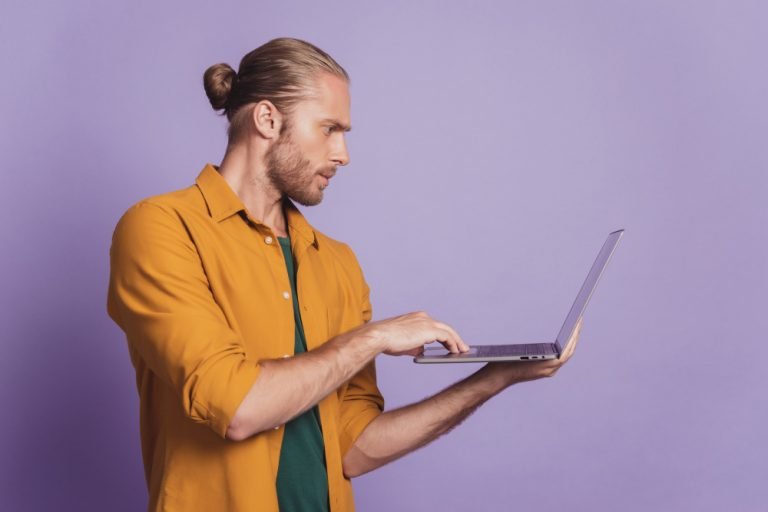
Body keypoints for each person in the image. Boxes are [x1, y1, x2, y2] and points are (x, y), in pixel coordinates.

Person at [106, 37, 582, 512]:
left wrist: (493, 379)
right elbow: (238, 409)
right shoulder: (161, 228)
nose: (343, 154)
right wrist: (372, 338)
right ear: (268, 119)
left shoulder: (336, 263)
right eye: (329, 129)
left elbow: (353, 447)